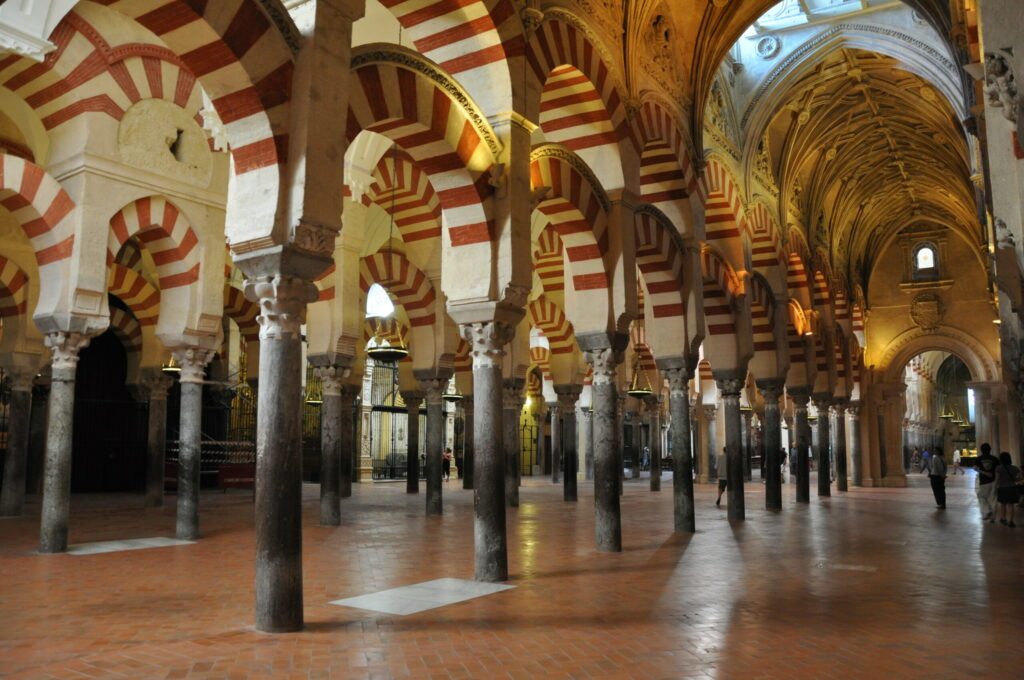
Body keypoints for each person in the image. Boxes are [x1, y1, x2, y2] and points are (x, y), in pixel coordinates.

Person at [994, 452, 1022, 528]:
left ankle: (1003, 518)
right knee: (1011, 505)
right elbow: (1019, 478)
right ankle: (1011, 521)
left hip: (1002, 488)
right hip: (1012, 488)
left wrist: (995, 488)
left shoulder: (998, 468)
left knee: (1003, 504)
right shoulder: (1015, 468)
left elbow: (997, 479)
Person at [975, 443, 998, 522]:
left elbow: (975, 468)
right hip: (993, 481)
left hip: (984, 482)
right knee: (992, 498)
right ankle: (992, 516)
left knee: (981, 496)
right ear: (990, 449)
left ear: (981, 450)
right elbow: (998, 470)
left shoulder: (979, 459)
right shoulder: (994, 458)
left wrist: (983, 472)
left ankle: (987, 511)